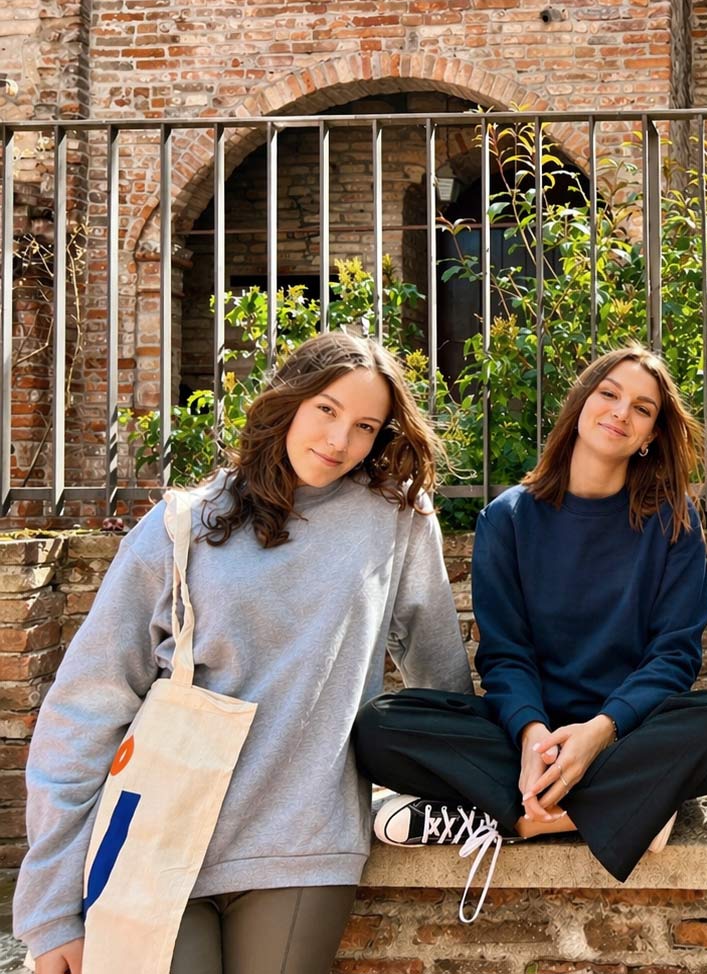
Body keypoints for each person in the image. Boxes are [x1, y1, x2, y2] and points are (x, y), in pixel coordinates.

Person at [15, 331, 474, 974]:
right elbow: (84, 708)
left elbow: (438, 670)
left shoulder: (393, 516)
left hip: (301, 840)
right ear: (288, 400)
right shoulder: (182, 525)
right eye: (326, 409)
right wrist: (50, 908)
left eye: (365, 427)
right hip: (153, 834)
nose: (339, 440)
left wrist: (475, 786)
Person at [352, 345, 707, 913]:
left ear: (651, 436)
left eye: (642, 409)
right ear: (582, 402)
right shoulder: (507, 519)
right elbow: (506, 655)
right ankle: (623, 806)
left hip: (626, 731)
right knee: (379, 726)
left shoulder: (673, 522)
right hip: (529, 737)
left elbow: (674, 656)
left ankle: (514, 818)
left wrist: (599, 732)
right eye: (609, 394)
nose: (621, 412)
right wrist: (531, 736)